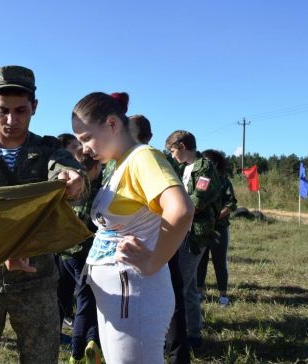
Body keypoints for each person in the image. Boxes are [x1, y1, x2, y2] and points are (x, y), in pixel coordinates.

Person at [0, 65, 87, 364]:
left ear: (34, 108)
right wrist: (7, 252)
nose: (11, 120)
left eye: (21, 111)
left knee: (40, 357)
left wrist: (74, 179)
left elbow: (67, 170)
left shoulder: (49, 149)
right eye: (3, 110)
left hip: (36, 281)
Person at [72, 92, 194, 364]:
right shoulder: (119, 164)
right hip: (121, 299)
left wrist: (153, 262)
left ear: (112, 125)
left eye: (86, 138)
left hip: (136, 296)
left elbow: (181, 209)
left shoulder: (143, 157)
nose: (85, 149)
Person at [128, 114, 191, 364]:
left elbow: (179, 207)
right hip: (153, 242)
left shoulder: (150, 159)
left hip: (156, 240)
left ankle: (175, 353)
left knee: (170, 299)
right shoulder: (131, 161)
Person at [165, 130, 221, 349]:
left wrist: (174, 212)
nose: (172, 155)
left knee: (180, 286)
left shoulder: (204, 167)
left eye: (172, 150)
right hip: (185, 232)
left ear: (182, 146)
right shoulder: (185, 168)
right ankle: (192, 333)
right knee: (187, 287)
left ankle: (185, 336)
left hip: (196, 234)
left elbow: (197, 201)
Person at [57, 148, 103, 364]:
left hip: (64, 251)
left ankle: (88, 342)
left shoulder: (66, 186)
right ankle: (78, 352)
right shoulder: (96, 190)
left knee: (62, 298)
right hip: (86, 254)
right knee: (86, 302)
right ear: (95, 167)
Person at [197, 149, 237, 306]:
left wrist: (216, 216)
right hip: (201, 229)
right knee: (200, 262)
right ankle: (199, 292)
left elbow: (231, 203)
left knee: (219, 262)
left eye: (209, 162)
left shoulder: (224, 181)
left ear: (216, 163)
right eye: (203, 161)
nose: (206, 165)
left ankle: (223, 296)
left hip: (219, 228)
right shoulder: (201, 181)